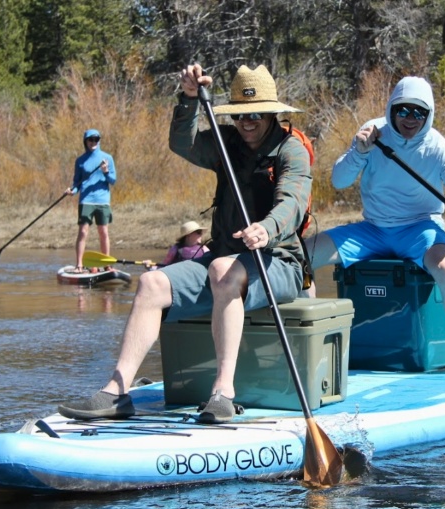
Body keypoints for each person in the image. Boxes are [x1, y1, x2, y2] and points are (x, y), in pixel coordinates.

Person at [57, 63, 311, 423]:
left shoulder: (291, 150)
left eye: (255, 114)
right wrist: (189, 99)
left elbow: (293, 203)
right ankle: (116, 392)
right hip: (225, 260)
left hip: (278, 262)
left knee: (223, 269)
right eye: (239, 115)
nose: (247, 122)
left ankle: (223, 393)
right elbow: (182, 143)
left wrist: (267, 228)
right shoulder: (227, 143)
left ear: (271, 113)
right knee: (151, 282)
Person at [304, 76, 445, 377]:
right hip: (372, 230)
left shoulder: (438, 147)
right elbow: (338, 181)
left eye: (419, 113)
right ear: (392, 109)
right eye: (403, 111)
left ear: (428, 115)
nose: (410, 119)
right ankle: (308, 346)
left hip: (420, 230)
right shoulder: (372, 133)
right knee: (302, 257)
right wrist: (359, 151)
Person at [66, 129, 117, 273]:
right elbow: (77, 183)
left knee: (103, 232)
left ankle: (107, 264)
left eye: (96, 139)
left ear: (99, 141)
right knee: (83, 231)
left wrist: (106, 171)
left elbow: (113, 180)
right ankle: (79, 265)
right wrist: (72, 191)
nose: (93, 142)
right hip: (86, 201)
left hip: (102, 201)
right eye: (90, 139)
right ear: (86, 142)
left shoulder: (107, 158)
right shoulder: (80, 161)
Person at [145, 220, 210, 270]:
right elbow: (163, 265)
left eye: (201, 232)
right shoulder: (175, 249)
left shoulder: (204, 249)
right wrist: (150, 266)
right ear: (188, 235)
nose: (201, 234)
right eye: (198, 232)